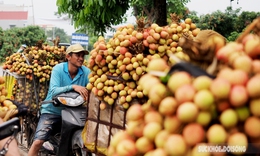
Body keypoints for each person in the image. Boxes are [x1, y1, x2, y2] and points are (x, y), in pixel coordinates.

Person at [28, 43, 90, 156]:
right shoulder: (58, 69)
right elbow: (53, 91)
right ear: (68, 57)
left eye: (82, 56)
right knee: (38, 142)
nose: (81, 58)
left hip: (74, 113)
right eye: (78, 55)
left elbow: (92, 88)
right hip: (52, 111)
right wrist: (73, 87)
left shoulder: (86, 72)